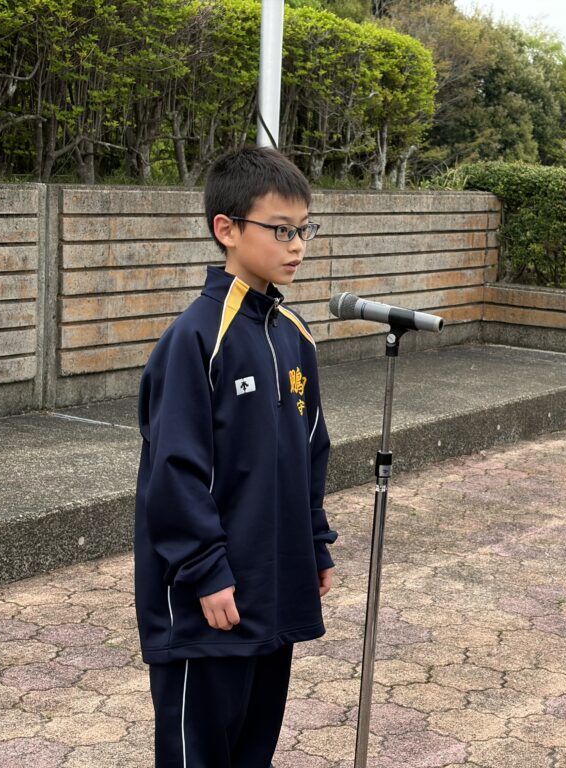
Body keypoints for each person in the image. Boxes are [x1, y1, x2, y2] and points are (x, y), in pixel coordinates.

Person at [134, 146, 337, 768]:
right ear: (226, 229)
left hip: (275, 589)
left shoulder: (293, 335)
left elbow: (311, 452)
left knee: (254, 750)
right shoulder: (196, 337)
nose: (296, 246)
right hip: (208, 602)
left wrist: (316, 543)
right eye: (280, 230)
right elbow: (174, 471)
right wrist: (207, 571)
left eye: (303, 229)